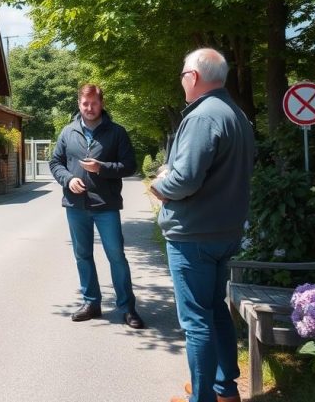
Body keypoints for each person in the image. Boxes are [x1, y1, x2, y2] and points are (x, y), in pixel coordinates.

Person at [150, 49, 254, 402]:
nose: (182, 82)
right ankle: (224, 389)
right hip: (225, 232)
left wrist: (159, 184)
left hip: (194, 235)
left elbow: (186, 179)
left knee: (196, 322)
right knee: (215, 311)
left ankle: (204, 397)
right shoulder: (235, 114)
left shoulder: (202, 117)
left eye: (183, 75)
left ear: (193, 76)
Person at [50, 84, 145, 330]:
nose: (89, 108)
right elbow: (56, 162)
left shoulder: (116, 132)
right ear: (79, 104)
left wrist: (102, 167)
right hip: (76, 205)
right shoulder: (68, 132)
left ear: (101, 103)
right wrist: (68, 179)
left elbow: (130, 166)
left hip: (106, 205)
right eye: (85, 103)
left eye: (93, 103)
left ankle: (127, 307)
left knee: (116, 257)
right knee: (83, 256)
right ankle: (91, 302)